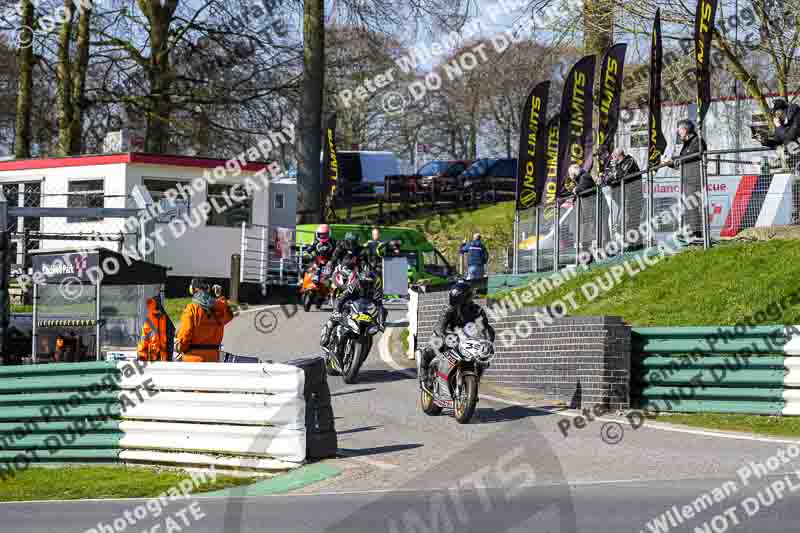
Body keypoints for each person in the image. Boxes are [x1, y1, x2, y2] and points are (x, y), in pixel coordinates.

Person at [417, 280, 495, 386]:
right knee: (430, 348)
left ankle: (475, 380)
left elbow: (486, 328)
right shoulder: (448, 309)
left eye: (460, 303)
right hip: (448, 336)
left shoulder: (477, 311)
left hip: (467, 339)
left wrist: (487, 342)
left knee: (483, 358)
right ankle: (423, 374)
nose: (457, 306)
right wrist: (443, 337)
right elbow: (440, 326)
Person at [319, 270, 386, 356]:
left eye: (370, 283)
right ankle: (326, 336)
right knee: (335, 317)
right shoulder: (354, 286)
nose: (367, 285)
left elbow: (380, 308)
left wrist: (381, 323)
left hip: (364, 311)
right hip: (348, 305)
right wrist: (337, 311)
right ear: (360, 281)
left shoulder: (375, 292)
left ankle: (362, 352)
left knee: (371, 329)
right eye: (365, 283)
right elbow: (341, 299)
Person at [662, 119, 707, 242]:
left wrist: (675, 159)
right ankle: (690, 232)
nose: (678, 133)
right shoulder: (687, 143)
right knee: (688, 206)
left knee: (693, 205)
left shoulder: (697, 141)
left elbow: (691, 156)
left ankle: (696, 233)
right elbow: (682, 161)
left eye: (679, 130)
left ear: (685, 129)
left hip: (695, 178)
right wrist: (670, 163)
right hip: (686, 180)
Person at [176, 278, 234, 362]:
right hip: (213, 358)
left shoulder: (191, 308)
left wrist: (180, 348)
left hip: (193, 359)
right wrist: (219, 296)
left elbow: (185, 334)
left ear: (193, 289)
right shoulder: (218, 308)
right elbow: (229, 315)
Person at [137, 294, 175, 362]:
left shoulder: (151, 320)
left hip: (155, 358)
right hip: (161, 358)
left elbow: (144, 340)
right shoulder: (165, 318)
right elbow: (170, 339)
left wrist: (141, 356)